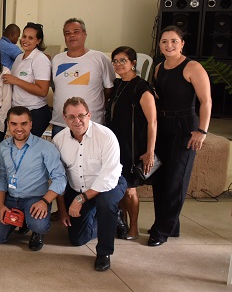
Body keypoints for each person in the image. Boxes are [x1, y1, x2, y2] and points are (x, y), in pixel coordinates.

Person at [148, 26, 212, 247]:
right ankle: (169, 225)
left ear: (182, 43)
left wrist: (202, 131)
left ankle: (161, 231)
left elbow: (206, 101)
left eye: (174, 41)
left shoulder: (192, 67)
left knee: (176, 179)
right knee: (160, 179)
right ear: (160, 45)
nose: (169, 45)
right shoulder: (159, 68)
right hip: (163, 126)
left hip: (185, 128)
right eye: (164, 41)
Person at [54, 97, 126, 271]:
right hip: (78, 188)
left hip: (109, 185)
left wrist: (81, 199)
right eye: (71, 117)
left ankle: (104, 253)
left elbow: (108, 176)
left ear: (89, 115)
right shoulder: (58, 140)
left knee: (105, 203)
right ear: (64, 118)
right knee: (77, 239)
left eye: (81, 115)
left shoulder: (106, 136)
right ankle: (110, 219)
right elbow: (58, 177)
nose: (77, 120)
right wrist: (62, 210)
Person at [0, 106, 66, 250]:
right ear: (8, 124)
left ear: (31, 124)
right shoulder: (3, 146)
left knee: (39, 225)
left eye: (23, 123)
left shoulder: (45, 147)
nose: (19, 128)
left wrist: (44, 201)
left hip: (35, 199)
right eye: (14, 124)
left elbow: (60, 178)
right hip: (11, 198)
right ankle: (22, 221)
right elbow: (1, 176)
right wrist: (1, 205)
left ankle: (36, 230)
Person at [106, 46, 157, 241]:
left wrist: (150, 151)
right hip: (115, 145)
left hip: (132, 147)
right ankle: (123, 225)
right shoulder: (118, 84)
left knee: (129, 190)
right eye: (115, 61)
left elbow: (153, 122)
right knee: (118, 188)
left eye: (123, 60)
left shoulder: (141, 88)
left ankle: (134, 228)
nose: (118, 64)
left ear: (133, 63)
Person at [50, 18, 115, 137]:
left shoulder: (99, 58)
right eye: (67, 33)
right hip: (61, 123)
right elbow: (56, 87)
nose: (72, 36)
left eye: (76, 32)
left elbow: (109, 89)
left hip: (92, 123)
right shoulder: (57, 59)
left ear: (85, 34)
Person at [3, 22, 51, 138]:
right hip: (18, 112)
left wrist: (16, 81)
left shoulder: (40, 59)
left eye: (31, 38)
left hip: (35, 113)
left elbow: (43, 91)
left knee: (28, 146)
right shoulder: (19, 58)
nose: (26, 40)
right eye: (24, 36)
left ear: (38, 41)